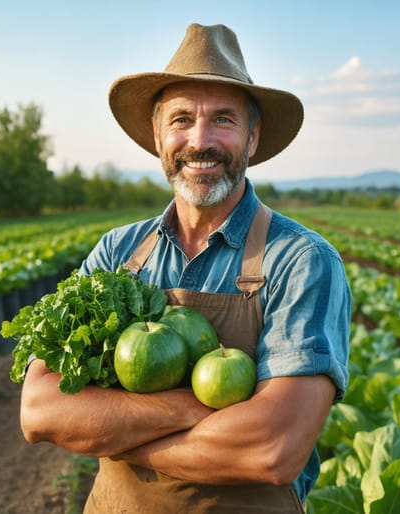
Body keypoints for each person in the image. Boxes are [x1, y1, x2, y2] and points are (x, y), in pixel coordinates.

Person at [20, 23, 351, 513]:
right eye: (180, 120)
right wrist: (190, 409)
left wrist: (112, 433)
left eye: (223, 119)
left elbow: (272, 449)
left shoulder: (300, 261)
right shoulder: (117, 254)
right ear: (158, 137)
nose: (200, 141)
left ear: (252, 138)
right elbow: (41, 410)